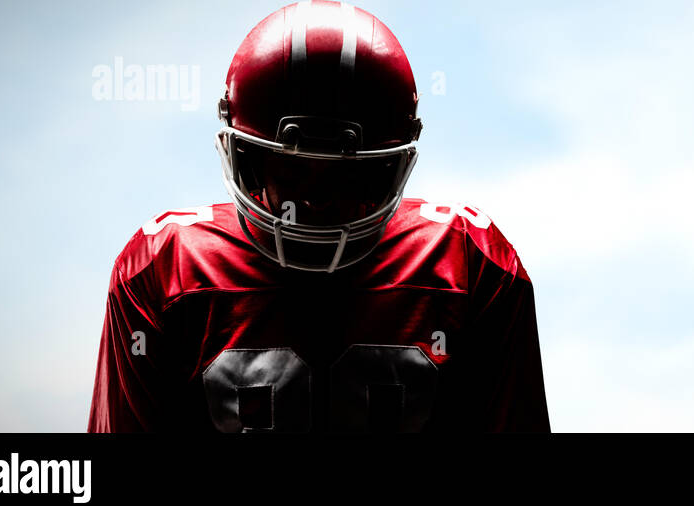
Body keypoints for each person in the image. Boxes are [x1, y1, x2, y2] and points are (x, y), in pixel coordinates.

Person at [87, 1, 549, 432]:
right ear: (248, 158)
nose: (315, 200)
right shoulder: (163, 269)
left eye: (345, 174)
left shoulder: (471, 265)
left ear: (387, 167)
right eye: (291, 168)